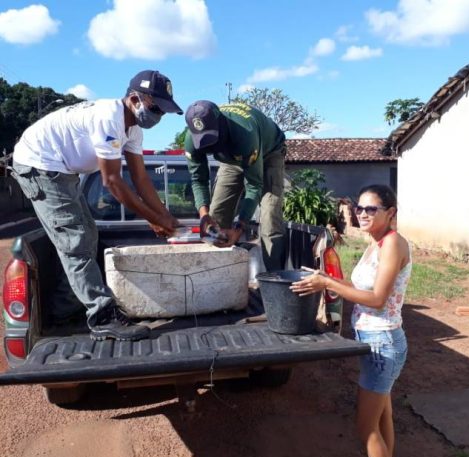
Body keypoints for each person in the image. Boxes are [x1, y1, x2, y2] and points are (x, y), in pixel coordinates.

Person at [12, 70, 183, 341]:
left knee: (88, 235)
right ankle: (102, 315)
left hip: (63, 170)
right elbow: (113, 182)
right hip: (39, 165)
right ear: (134, 98)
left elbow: (140, 178)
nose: (158, 116)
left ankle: (66, 309)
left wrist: (164, 215)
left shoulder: (133, 130)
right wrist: (154, 219)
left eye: (163, 111)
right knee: (75, 240)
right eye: (156, 107)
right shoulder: (109, 118)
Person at [290, 185, 411, 457]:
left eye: (372, 209)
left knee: (365, 426)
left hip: (381, 343)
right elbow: (358, 286)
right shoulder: (376, 243)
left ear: (391, 213)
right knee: (382, 418)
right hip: (374, 340)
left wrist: (329, 283)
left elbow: (377, 298)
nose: (363, 213)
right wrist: (322, 277)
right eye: (360, 208)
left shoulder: (393, 244)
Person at [184, 100, 287, 271]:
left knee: (269, 220)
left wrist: (239, 227)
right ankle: (219, 277)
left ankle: (274, 280)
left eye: (212, 141)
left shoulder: (245, 134)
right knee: (214, 221)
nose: (211, 148)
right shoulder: (191, 140)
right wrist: (204, 216)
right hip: (232, 158)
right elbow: (198, 180)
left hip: (270, 153)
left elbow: (254, 184)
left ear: (221, 124)